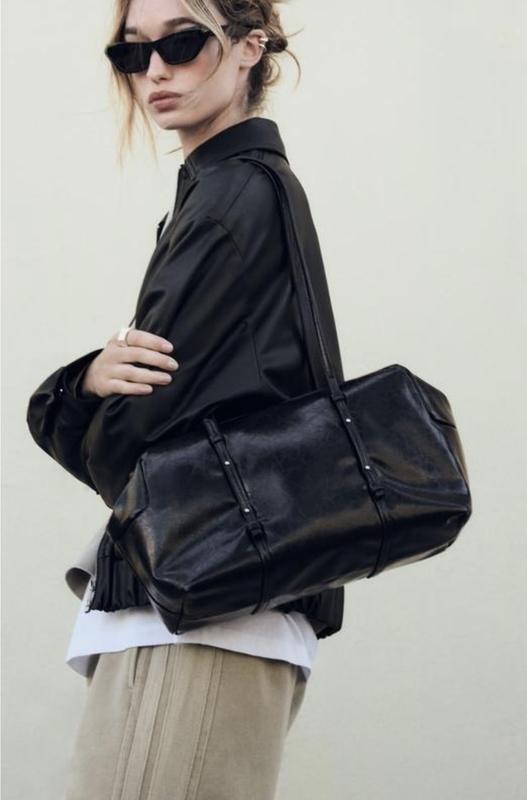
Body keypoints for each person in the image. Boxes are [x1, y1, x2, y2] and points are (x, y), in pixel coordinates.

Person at [26, 1, 346, 798]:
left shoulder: (229, 200)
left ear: (248, 46)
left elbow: (129, 443)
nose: (156, 71)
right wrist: (93, 380)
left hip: (196, 625)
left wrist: (65, 395)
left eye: (182, 42)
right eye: (132, 53)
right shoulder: (235, 193)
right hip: (219, 617)